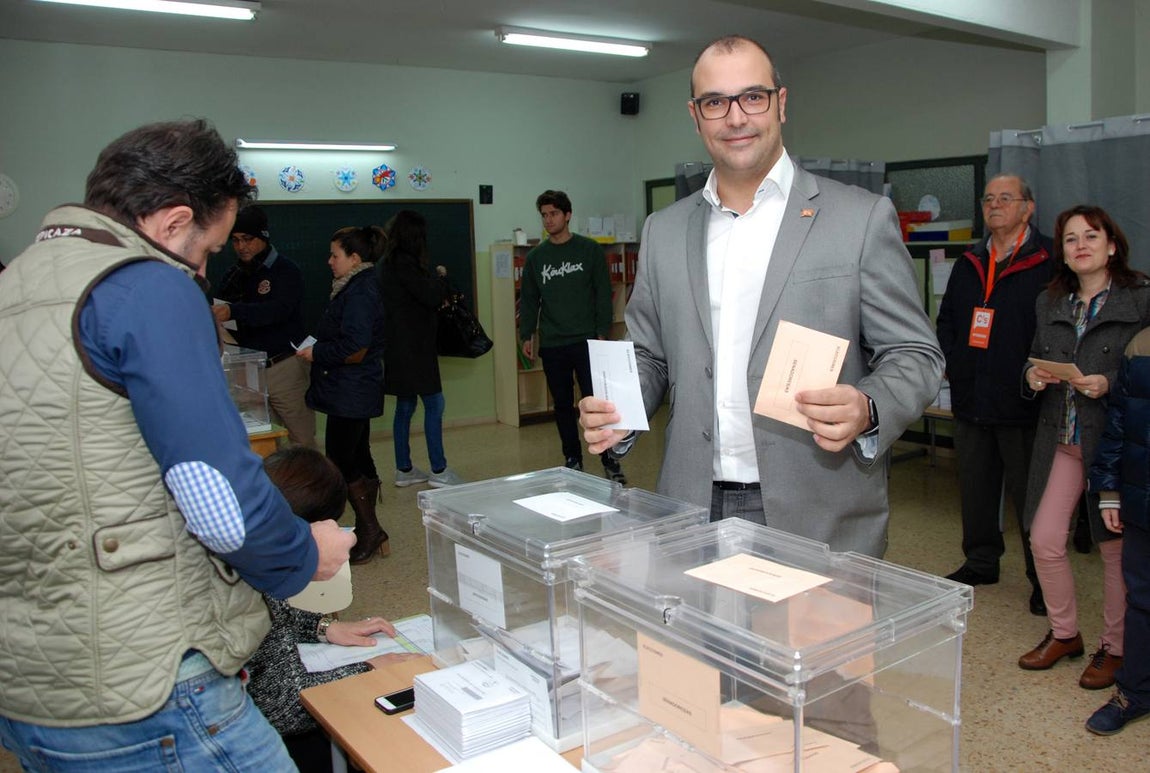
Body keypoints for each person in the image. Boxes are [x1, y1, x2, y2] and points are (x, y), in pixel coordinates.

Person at [0, 118, 353, 770]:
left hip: (32, 678)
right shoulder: (148, 284)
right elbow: (216, 499)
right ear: (172, 222)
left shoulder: (19, 283)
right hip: (145, 675)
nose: (204, 268)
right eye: (208, 248)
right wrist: (305, 553)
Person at [579, 35, 943, 558]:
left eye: (753, 97)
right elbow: (650, 354)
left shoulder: (858, 219)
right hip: (691, 506)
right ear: (696, 115)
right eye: (715, 102)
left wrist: (868, 406)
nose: (736, 117)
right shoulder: (664, 230)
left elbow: (916, 354)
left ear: (781, 103)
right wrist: (619, 410)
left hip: (817, 510)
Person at [1018, 205, 1150, 691]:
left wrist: (1110, 382)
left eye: (1091, 236)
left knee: (1115, 550)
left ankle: (1115, 647)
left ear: (1112, 245)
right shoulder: (1050, 301)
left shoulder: (1141, 299)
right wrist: (1033, 376)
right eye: (1070, 239)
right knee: (1044, 539)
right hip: (1061, 437)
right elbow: (1032, 359)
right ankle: (1065, 633)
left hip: (1114, 443)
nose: (1080, 246)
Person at [936, 174, 1053, 615]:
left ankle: (1044, 580)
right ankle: (981, 562)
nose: (995, 205)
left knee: (1033, 500)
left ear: (1028, 207)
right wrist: (953, 360)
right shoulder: (970, 261)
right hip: (972, 397)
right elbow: (947, 319)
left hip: (1025, 403)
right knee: (976, 490)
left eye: (1006, 198)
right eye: (989, 199)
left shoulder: (1048, 261)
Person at [250, 446, 409, 771]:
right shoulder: (255, 584)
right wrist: (368, 671)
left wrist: (324, 627)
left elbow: (273, 619)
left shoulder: (250, 547)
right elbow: (285, 705)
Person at [519, 189, 626, 484]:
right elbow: (529, 300)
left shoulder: (589, 250)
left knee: (598, 404)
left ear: (567, 215)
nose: (548, 220)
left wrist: (602, 331)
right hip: (553, 343)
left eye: (553, 214)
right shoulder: (536, 258)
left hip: (588, 341)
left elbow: (602, 293)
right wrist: (527, 334)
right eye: (544, 215)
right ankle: (573, 458)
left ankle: (609, 458)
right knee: (563, 406)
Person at [298, 225, 389, 563]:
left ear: (354, 258)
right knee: (358, 455)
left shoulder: (361, 291)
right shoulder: (356, 285)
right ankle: (370, 527)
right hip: (351, 389)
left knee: (340, 459)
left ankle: (370, 529)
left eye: (335, 255)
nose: (329, 261)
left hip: (351, 390)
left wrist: (317, 353)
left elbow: (356, 347)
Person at [1085, 325, 1150, 734]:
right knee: (1141, 599)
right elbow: (1119, 421)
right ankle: (1135, 692)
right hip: (1142, 497)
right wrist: (1109, 491)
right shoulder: (1141, 346)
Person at [213, 204, 317, 448]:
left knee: (301, 440)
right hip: (247, 369)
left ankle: (308, 476)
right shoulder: (233, 275)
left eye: (247, 239)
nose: (241, 246)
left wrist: (234, 310)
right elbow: (223, 314)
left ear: (263, 237)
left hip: (283, 366)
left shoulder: (285, 270)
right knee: (262, 441)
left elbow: (277, 310)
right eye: (235, 240)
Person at [380, 209, 463, 488]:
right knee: (434, 403)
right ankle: (439, 470)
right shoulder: (405, 264)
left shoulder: (388, 264)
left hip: (397, 347)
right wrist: (441, 278)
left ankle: (404, 468)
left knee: (405, 406)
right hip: (414, 348)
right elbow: (430, 296)